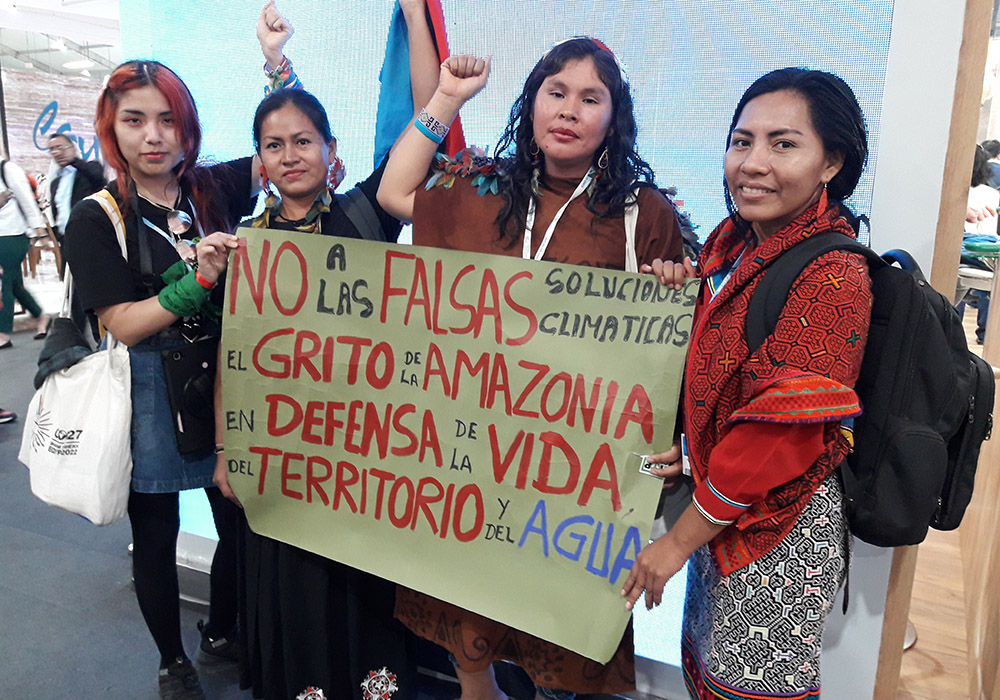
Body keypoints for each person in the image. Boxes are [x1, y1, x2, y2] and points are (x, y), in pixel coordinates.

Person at [378, 39, 684, 700]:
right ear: (533, 101)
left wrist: (671, 281)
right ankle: (477, 689)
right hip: (480, 453)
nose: (569, 110)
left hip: (577, 467)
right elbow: (395, 190)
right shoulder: (483, 189)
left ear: (613, 116)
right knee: (472, 606)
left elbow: (668, 355)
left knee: (570, 622)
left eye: (590, 97)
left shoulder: (642, 214)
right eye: (557, 92)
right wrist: (447, 99)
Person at [60, 9, 301, 693]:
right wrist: (198, 279)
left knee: (245, 520)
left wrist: (275, 60)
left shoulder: (211, 187)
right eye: (136, 119)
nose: (154, 135)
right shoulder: (96, 215)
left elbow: (289, 144)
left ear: (186, 123)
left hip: (225, 386)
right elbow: (124, 323)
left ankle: (222, 627)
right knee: (158, 535)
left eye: (167, 118)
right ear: (113, 125)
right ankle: (172, 660)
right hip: (150, 394)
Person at [210, 3, 437, 699]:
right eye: (274, 146)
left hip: (361, 460)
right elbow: (231, 357)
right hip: (278, 459)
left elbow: (422, 126)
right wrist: (225, 451)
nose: (290, 156)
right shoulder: (244, 244)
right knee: (291, 588)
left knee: (359, 588)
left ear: (331, 150)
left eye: (304, 141)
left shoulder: (367, 213)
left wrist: (434, 52)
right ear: (260, 161)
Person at [623, 68, 872, 700]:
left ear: (830, 162)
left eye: (784, 144)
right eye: (742, 141)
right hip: (725, 523)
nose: (753, 163)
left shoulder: (833, 276)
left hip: (775, 543)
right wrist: (678, 295)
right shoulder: (731, 245)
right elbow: (727, 379)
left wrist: (675, 544)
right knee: (709, 681)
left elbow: (775, 439)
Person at [0, 156, 51, 348]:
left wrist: (40, 231)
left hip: (12, 234)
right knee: (13, 284)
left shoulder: (7, 168)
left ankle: (3, 332)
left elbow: (27, 201)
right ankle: (42, 316)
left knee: (3, 281)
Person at [957, 145, 999, 343]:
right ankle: (984, 335)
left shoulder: (953, 192)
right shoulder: (991, 194)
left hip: (960, 253)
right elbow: (988, 232)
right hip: (978, 254)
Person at [47, 133, 107, 240]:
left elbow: (98, 179)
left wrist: (73, 160)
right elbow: (57, 213)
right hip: (67, 239)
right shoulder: (55, 183)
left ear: (73, 149)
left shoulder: (90, 169)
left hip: (92, 236)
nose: (56, 153)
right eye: (52, 149)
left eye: (60, 148)